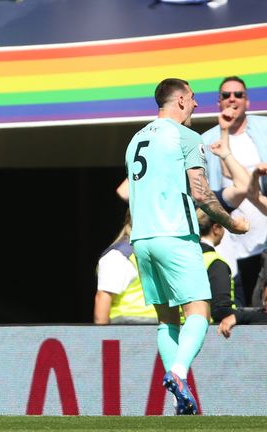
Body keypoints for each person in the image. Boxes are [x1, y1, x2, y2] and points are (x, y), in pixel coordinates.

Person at [125, 78, 249, 415]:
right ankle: (178, 375)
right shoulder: (185, 136)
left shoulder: (136, 139)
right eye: (193, 99)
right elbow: (201, 193)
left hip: (142, 241)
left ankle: (182, 399)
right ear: (179, 100)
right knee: (199, 312)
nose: (196, 105)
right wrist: (232, 223)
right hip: (175, 235)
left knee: (167, 321)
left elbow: (126, 191)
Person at [202, 76, 267, 307]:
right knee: (235, 309)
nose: (232, 99)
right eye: (226, 95)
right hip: (229, 240)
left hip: (263, 239)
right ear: (218, 102)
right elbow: (217, 184)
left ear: (247, 102)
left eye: (238, 94)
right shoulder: (207, 140)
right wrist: (224, 131)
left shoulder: (264, 130)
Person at [196, 209, 267, 338]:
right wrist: (241, 316)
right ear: (216, 228)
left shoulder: (184, 257)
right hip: (208, 336)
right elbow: (220, 310)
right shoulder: (215, 262)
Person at [93, 211, 156, 325]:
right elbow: (104, 297)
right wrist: (101, 336)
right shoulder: (119, 255)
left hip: (161, 323)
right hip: (128, 324)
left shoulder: (162, 253)